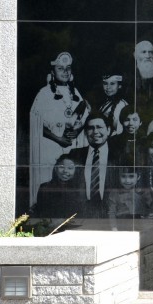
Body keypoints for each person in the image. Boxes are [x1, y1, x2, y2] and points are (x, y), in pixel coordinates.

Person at [29, 51, 89, 207]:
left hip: (69, 148)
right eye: (61, 68)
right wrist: (58, 139)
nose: (65, 71)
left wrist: (76, 131)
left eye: (68, 68)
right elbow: (35, 124)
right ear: (53, 71)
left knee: (70, 182)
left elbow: (83, 117)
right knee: (50, 181)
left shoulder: (74, 92)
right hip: (50, 147)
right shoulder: (44, 93)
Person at [69, 115, 116, 218]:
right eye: (91, 128)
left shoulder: (118, 155)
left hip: (112, 215)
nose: (95, 131)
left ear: (108, 130)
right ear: (86, 133)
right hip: (81, 215)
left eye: (99, 127)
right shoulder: (74, 155)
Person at [107, 166, 153, 230]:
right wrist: (114, 228)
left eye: (131, 176)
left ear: (138, 177)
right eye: (123, 176)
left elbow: (150, 212)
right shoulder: (114, 193)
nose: (127, 180)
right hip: (121, 226)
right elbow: (112, 213)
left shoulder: (144, 193)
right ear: (119, 176)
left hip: (141, 226)